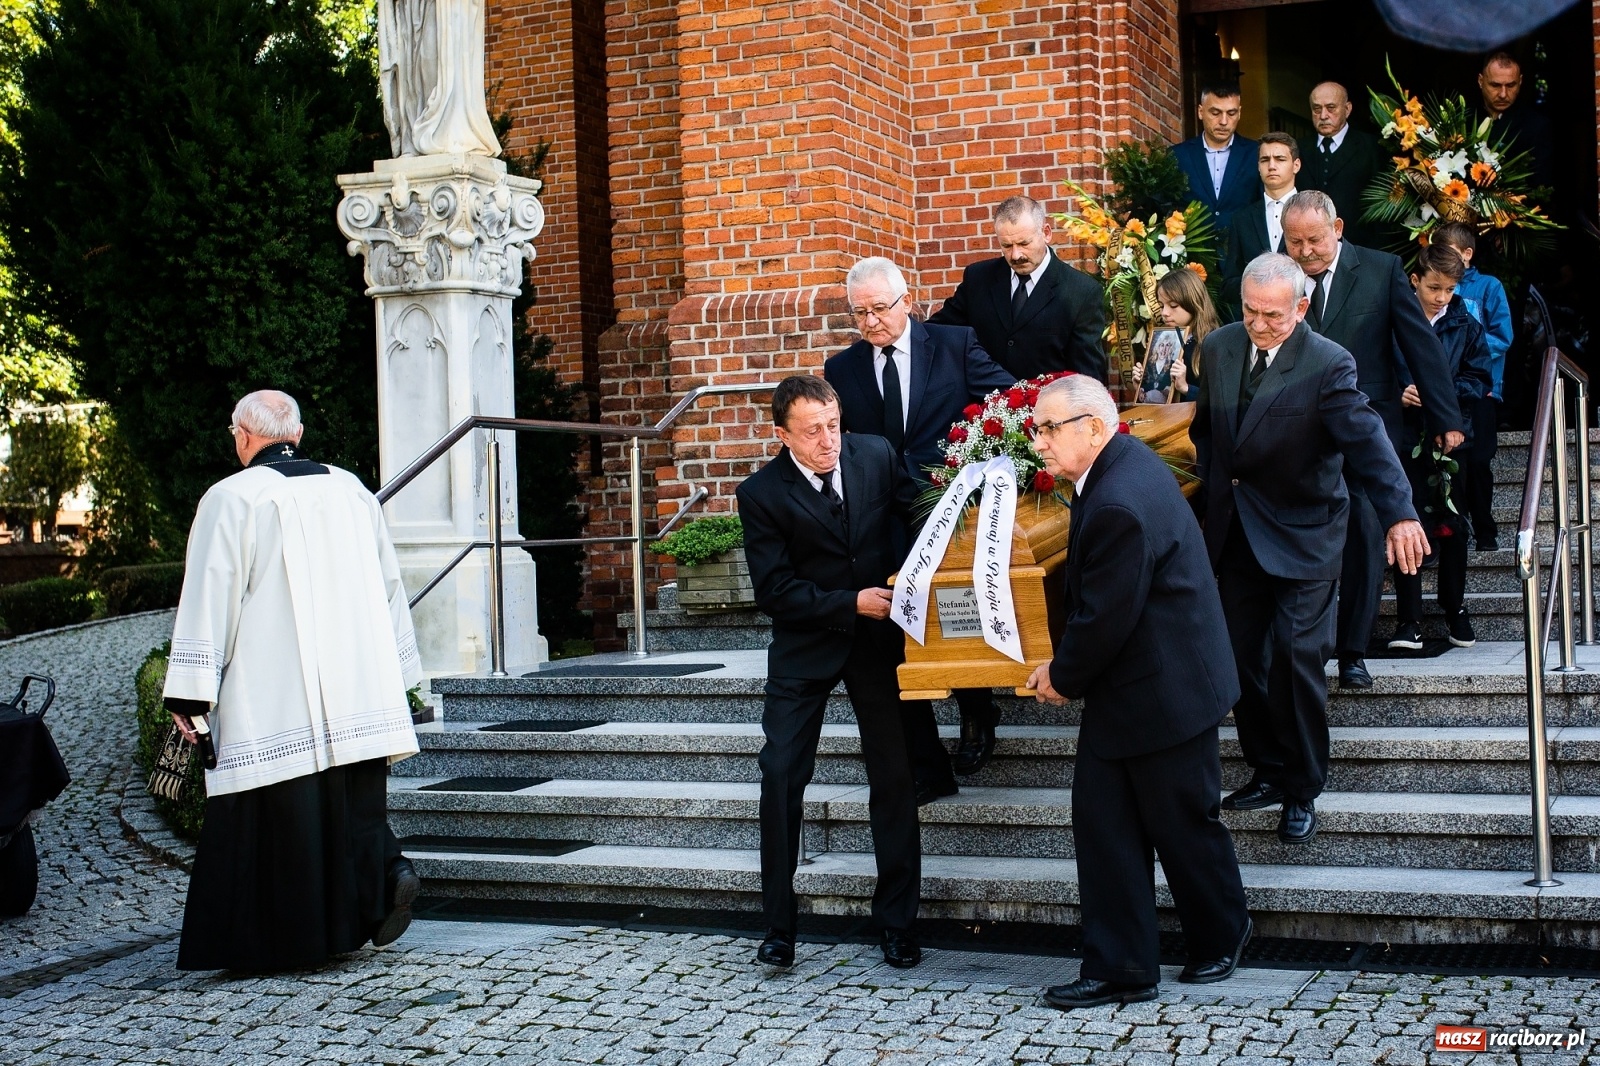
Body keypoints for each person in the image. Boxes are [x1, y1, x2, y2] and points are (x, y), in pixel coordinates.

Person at [164, 390, 424, 972]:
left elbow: (210, 596)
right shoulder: (353, 490)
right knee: (350, 807)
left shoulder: (231, 498)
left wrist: (189, 692)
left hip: (271, 695)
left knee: (276, 818)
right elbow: (389, 584)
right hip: (358, 690)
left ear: (242, 437)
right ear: (298, 434)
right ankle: (379, 879)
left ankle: (281, 940)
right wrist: (401, 678)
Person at [1024, 374, 1251, 1010]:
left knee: (1181, 823)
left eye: (1048, 428)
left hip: (1165, 689)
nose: (1036, 440)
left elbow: (1107, 616)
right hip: (1147, 682)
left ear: (1094, 428)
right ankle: (1123, 967)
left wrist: (1061, 676)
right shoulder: (1118, 468)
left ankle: (1220, 935)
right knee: (1108, 826)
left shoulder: (1118, 497)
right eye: (1036, 427)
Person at [1191, 254, 1427, 847]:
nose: (1260, 324)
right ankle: (1268, 770)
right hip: (1237, 533)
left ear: (1300, 308)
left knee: (1297, 659)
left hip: (1305, 533)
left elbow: (1367, 442)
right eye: (1250, 310)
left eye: (1273, 314)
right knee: (1240, 659)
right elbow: (1207, 435)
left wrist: (1400, 513)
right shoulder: (1219, 348)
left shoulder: (1328, 362)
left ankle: (1302, 787)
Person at [737, 375, 924, 971]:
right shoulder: (761, 493)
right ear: (782, 434)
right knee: (780, 777)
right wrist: (848, 603)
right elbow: (775, 590)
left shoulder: (875, 453)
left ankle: (897, 924)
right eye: (813, 431)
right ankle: (778, 928)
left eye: (833, 425)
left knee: (894, 779)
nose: (828, 442)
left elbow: (921, 514)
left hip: (877, 642)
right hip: (805, 647)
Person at [824, 256, 1014, 792]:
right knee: (902, 622)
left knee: (960, 610)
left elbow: (1006, 400)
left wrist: (982, 458)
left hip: (950, 508)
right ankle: (916, 741)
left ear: (907, 301)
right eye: (858, 313)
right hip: (881, 516)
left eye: (879, 309)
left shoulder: (954, 345)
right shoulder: (843, 369)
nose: (870, 322)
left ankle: (978, 714)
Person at [1280, 190, 1463, 690]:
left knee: (1363, 536)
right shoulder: (1277, 276)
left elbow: (1420, 346)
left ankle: (1353, 652)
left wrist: (1446, 416)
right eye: (1293, 241)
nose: (1304, 252)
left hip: (1368, 431)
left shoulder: (1380, 271)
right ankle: (1306, 646)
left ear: (1337, 229)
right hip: (1299, 435)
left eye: (1313, 240)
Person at [1389, 244, 1493, 652]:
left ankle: (1455, 608)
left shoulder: (1466, 321)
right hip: (1403, 436)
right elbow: (1376, 369)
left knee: (1453, 524)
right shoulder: (1394, 317)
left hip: (1451, 435)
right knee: (1405, 521)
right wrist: (1400, 394)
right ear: (1415, 280)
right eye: (1435, 287)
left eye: (1449, 289)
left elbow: (1479, 377)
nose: (1442, 297)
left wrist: (1440, 393)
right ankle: (1409, 618)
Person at [928, 195, 1109, 382]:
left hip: (1046, 407)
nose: (1016, 255)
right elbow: (937, 331)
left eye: (1024, 243)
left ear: (1046, 233)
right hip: (982, 404)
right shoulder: (978, 278)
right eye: (1006, 246)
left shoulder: (1082, 292)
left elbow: (1088, 377)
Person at [1434, 221, 1513, 550]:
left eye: (1450, 253)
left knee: (1479, 461)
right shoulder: (1433, 288)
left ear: (1467, 254)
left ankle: (1486, 529)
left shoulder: (1489, 287)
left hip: (1481, 390)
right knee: (1449, 464)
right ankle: (1453, 529)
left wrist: (1468, 353)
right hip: (1443, 393)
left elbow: (1503, 337)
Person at [1298, 82, 1386, 247]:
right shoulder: (1298, 149)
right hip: (1308, 248)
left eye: (1331, 108)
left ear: (1347, 109)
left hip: (1360, 247)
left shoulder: (1372, 148)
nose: (1323, 115)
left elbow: (1383, 207)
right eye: (1317, 109)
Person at [1223, 132, 1302, 310]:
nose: (1271, 166)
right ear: (1258, 166)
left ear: (1296, 165)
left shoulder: (1313, 211)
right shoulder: (1242, 219)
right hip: (1257, 321)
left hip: (1305, 319)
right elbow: (1228, 284)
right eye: (1265, 160)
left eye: (1280, 159)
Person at [1171, 82, 1262, 237]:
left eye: (1231, 113)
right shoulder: (1177, 155)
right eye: (1215, 113)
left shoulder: (1256, 153)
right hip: (1191, 254)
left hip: (1242, 254)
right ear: (1200, 112)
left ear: (1239, 113)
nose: (1224, 121)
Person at [1477, 52, 1554, 188]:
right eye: (1495, 85)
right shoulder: (1464, 119)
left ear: (1520, 81)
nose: (1503, 94)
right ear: (1481, 81)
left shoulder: (1536, 126)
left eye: (1511, 86)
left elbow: (1541, 185)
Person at [1155, 268, 1221, 404]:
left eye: (1173, 305)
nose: (1165, 313)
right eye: (1161, 306)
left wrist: (1185, 388)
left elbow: (1221, 400)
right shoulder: (1165, 339)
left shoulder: (1214, 343)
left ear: (1192, 302)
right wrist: (1142, 385)